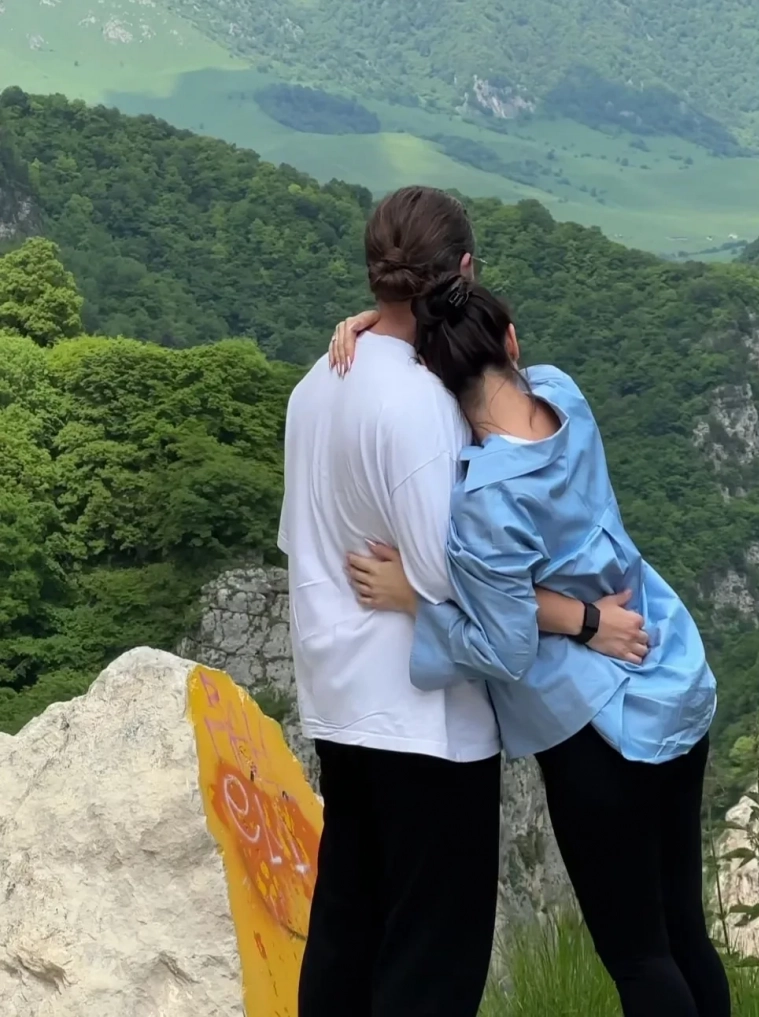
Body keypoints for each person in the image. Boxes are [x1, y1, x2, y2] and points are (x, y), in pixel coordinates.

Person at [281, 186, 650, 1017]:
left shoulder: (316, 384)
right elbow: (472, 586)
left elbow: (299, 539)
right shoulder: (422, 406)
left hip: (337, 702)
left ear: (374, 276)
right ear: (467, 271)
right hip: (426, 721)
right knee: (431, 963)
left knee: (344, 936)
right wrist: (586, 619)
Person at [329, 275, 732, 1017]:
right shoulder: (564, 396)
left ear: (434, 377)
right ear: (511, 341)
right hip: (668, 673)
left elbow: (505, 645)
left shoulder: (487, 499)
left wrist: (416, 600)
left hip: (593, 727)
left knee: (640, 958)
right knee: (685, 932)